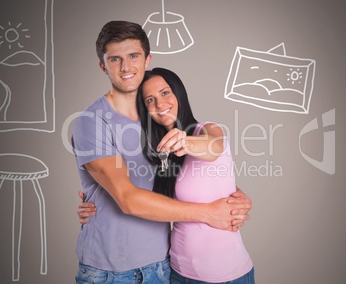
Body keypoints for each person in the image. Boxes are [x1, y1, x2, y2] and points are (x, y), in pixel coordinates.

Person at [72, 20, 252, 284]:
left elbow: (200, 165)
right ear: (103, 65)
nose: (125, 67)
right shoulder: (92, 120)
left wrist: (235, 196)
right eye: (115, 59)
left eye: (133, 56)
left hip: (163, 266)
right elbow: (129, 199)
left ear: (147, 59)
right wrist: (208, 212)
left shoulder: (158, 124)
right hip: (113, 272)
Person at [137, 67, 255, 283]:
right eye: (149, 100)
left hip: (226, 276)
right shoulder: (159, 152)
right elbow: (145, 202)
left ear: (178, 93)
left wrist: (186, 141)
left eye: (165, 93)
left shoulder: (206, 130)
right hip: (177, 272)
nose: (160, 105)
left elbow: (214, 146)